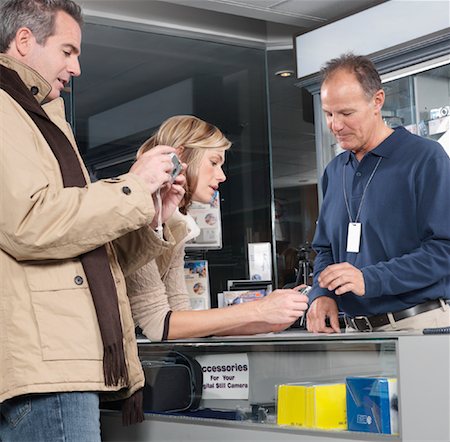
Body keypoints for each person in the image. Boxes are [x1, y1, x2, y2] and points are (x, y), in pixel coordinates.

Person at [0, 1, 186, 440]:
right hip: (48, 368)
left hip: (52, 363)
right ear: (24, 41)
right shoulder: (7, 111)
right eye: (67, 51)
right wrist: (133, 186)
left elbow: (92, 249)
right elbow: (30, 224)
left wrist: (152, 215)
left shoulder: (39, 119)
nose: (77, 67)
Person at [126, 115, 309, 341]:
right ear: (180, 156)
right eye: (213, 162)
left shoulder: (175, 224)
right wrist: (259, 309)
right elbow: (159, 325)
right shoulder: (137, 215)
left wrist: (265, 322)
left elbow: (181, 316)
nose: (222, 176)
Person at [306, 53, 450, 334]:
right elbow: (324, 249)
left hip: (417, 325)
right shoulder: (334, 171)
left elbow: (444, 249)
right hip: (351, 331)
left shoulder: (425, 158)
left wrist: (370, 279)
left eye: (346, 113)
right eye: (329, 113)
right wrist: (321, 293)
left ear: (378, 101)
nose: (335, 125)